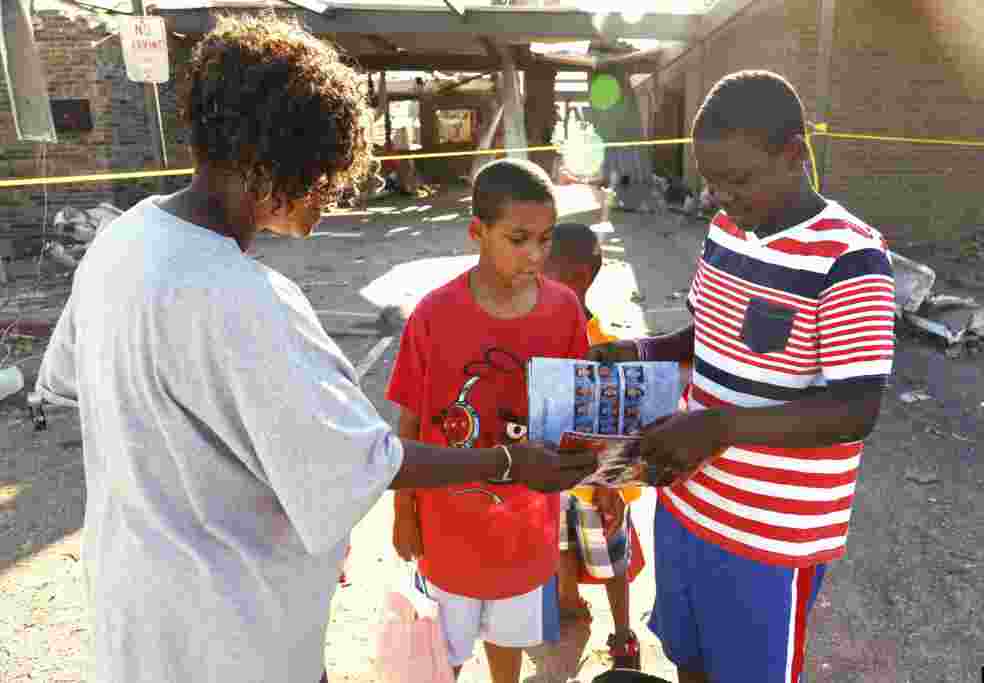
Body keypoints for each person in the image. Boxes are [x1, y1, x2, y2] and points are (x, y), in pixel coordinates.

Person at [33, 16, 596, 683]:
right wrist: (506, 461)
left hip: (135, 620)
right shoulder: (247, 301)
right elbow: (368, 459)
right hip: (237, 639)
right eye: (330, 172)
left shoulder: (118, 244)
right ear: (276, 160)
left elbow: (66, 378)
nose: (335, 192)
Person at [589, 70, 895, 683]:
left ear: (794, 154)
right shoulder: (728, 230)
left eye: (740, 179)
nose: (723, 196)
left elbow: (855, 409)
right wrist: (642, 349)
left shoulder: (850, 257)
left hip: (769, 539)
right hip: (686, 504)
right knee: (689, 658)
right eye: (713, 182)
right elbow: (705, 337)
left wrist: (721, 427)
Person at [388, 159, 591, 683]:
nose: (535, 255)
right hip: (448, 532)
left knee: (509, 643)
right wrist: (404, 514)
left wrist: (603, 481)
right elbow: (408, 424)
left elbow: (577, 413)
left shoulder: (564, 311)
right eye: (518, 239)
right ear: (477, 232)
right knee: (444, 655)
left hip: (528, 531)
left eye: (545, 240)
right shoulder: (433, 316)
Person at [542, 222, 644, 670]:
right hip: (553, 478)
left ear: (583, 274)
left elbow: (622, 426)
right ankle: (569, 609)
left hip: (597, 485)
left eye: (549, 267)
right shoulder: (540, 337)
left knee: (613, 558)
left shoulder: (603, 346)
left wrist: (613, 485)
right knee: (560, 548)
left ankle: (623, 634)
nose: (537, 274)